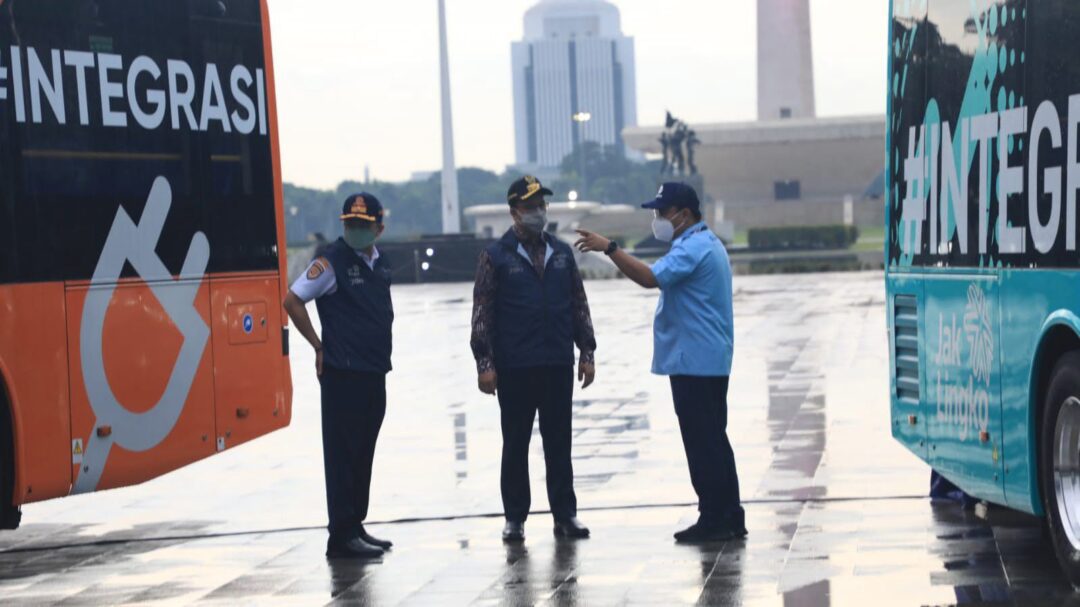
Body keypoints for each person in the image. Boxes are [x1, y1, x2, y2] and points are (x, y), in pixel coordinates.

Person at [575, 182, 747, 542]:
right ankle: (729, 514)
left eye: (661, 212)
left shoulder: (694, 247)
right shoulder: (702, 242)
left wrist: (610, 248)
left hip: (695, 361)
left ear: (683, 214)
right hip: (705, 359)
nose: (657, 219)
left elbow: (649, 277)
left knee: (703, 444)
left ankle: (715, 517)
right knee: (714, 440)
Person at [470, 175, 596, 542]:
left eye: (541, 205)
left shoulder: (561, 252)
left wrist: (586, 350)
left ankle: (565, 514)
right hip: (515, 366)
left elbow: (578, 303)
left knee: (560, 443)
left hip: (556, 361)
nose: (538, 212)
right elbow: (482, 312)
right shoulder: (495, 256)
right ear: (514, 212)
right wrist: (485, 363)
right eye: (530, 207)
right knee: (515, 444)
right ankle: (515, 518)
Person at [283, 193, 395, 559]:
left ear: (379, 227)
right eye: (350, 224)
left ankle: (355, 524)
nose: (356, 231)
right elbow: (293, 300)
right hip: (343, 374)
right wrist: (318, 345)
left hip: (374, 371)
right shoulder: (330, 262)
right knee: (343, 454)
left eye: (363, 225)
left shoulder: (381, 263)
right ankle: (341, 533)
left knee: (364, 452)